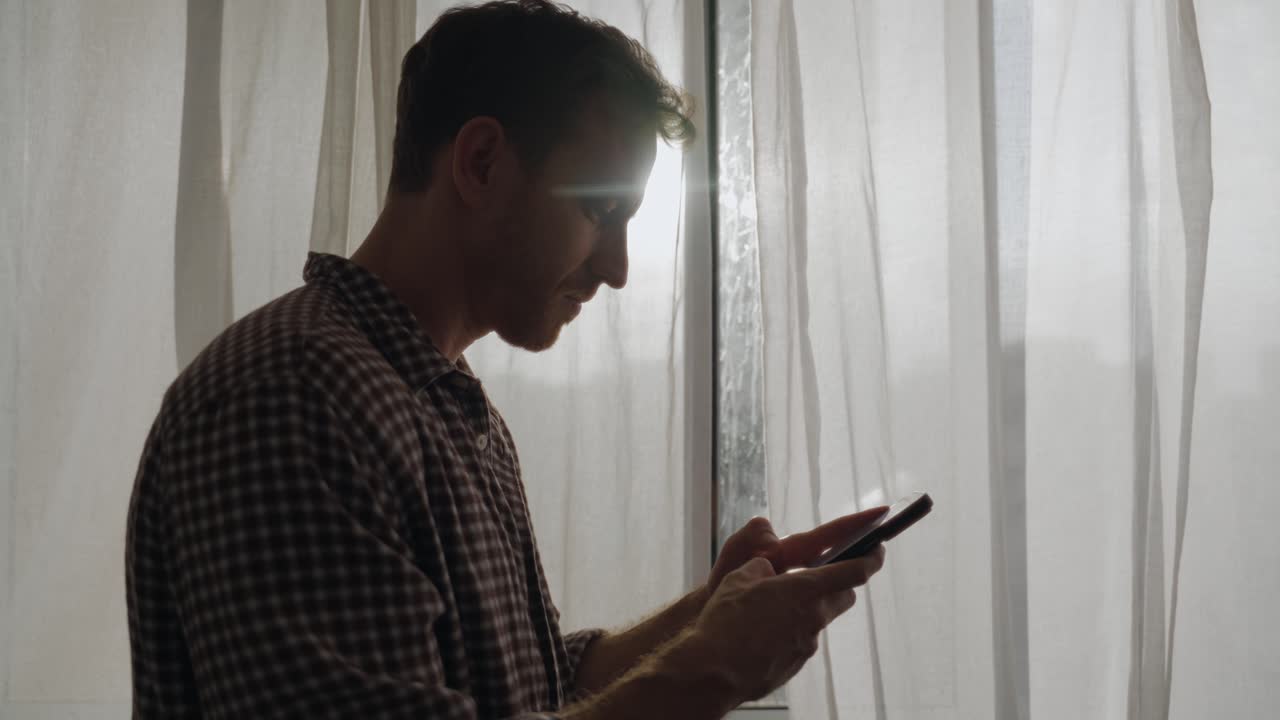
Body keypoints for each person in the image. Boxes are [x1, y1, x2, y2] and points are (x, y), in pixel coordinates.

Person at [125, 1, 888, 717]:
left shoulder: (443, 406)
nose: (619, 268)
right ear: (483, 162)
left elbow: (533, 689)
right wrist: (712, 667)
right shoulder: (288, 400)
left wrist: (707, 614)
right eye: (600, 209)